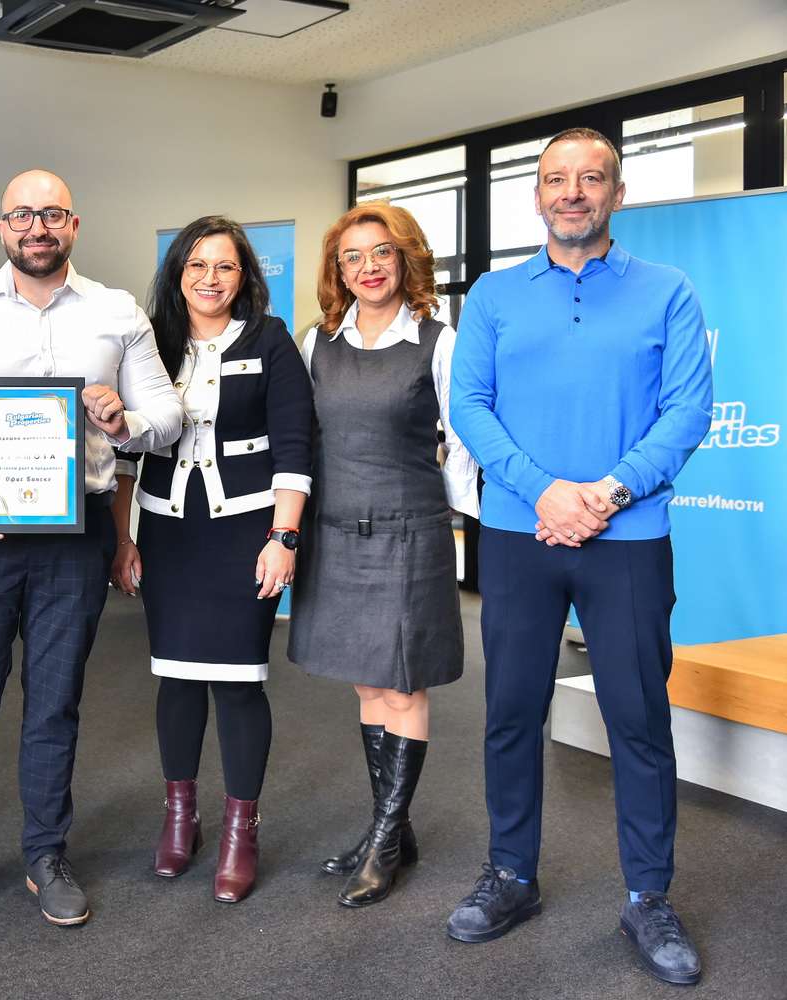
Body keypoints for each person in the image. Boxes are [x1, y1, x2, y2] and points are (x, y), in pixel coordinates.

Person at [447, 128, 712, 986]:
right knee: (511, 712)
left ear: (616, 194)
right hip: (518, 536)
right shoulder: (493, 295)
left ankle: (648, 897)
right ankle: (511, 875)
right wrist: (545, 491)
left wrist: (605, 493)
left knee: (638, 720)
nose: (572, 192)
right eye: (556, 179)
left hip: (628, 538)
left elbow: (687, 410)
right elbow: (470, 405)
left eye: (591, 178)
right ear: (536, 195)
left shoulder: (668, 291)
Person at [0, 169, 184, 940]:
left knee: (54, 703)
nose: (37, 227)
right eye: (22, 215)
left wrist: (124, 422)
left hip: (76, 536)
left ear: (73, 225)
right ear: (2, 228)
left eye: (52, 213)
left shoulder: (116, 312)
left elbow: (167, 414)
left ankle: (45, 854)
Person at [111, 216, 312, 904]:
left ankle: (239, 833)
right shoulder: (150, 342)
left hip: (246, 532)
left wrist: (284, 537)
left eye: (224, 266)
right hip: (170, 532)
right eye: (196, 264)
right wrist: (124, 537)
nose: (209, 278)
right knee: (175, 677)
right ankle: (180, 819)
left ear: (244, 275)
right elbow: (126, 455)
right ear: (177, 273)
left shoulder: (270, 340)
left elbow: (294, 446)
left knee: (237, 680)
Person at [287, 201, 479, 908]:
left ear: (405, 258)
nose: (367, 267)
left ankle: (386, 841)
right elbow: (301, 439)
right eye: (352, 257)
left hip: (407, 534)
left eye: (381, 253)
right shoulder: (316, 343)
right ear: (337, 270)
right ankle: (389, 829)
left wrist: (452, 514)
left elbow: (463, 438)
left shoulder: (439, 341)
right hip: (337, 532)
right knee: (368, 685)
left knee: (402, 686)